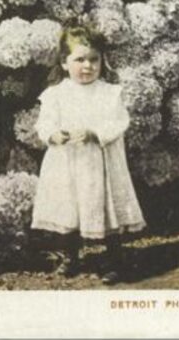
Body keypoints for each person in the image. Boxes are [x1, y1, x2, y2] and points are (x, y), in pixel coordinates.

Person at [30, 26, 145, 284]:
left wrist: (95, 133)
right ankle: (70, 256)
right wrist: (52, 135)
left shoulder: (108, 92)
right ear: (64, 62)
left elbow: (119, 121)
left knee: (106, 209)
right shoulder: (57, 94)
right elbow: (44, 123)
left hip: (99, 165)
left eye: (94, 59)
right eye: (79, 59)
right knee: (68, 208)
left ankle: (114, 258)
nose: (87, 66)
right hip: (67, 164)